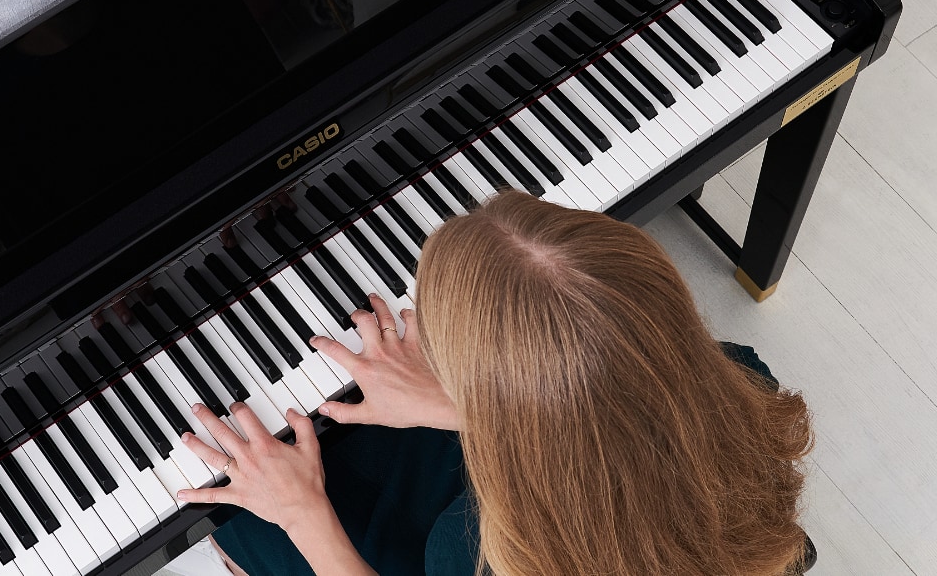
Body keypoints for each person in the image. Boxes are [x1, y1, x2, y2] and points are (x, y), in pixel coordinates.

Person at [173, 191, 815, 575]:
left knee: (242, 525)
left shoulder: (475, 551)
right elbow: (613, 419)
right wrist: (470, 405)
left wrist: (301, 510)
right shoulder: (742, 379)